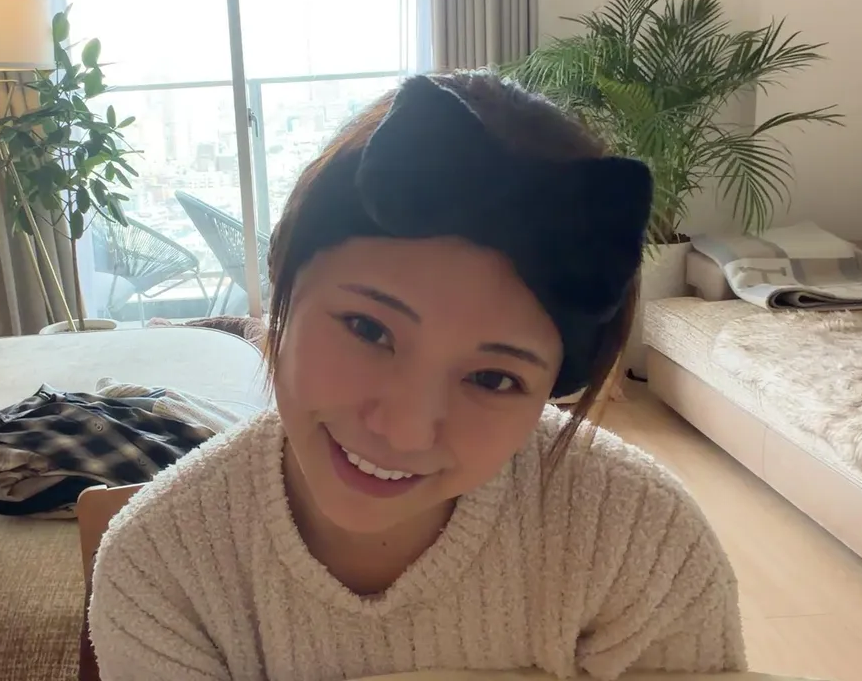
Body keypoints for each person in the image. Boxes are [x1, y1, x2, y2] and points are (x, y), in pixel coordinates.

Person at [87, 70, 746, 681]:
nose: (403, 430)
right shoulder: (162, 567)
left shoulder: (641, 544)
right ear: (283, 284)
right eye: (368, 329)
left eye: (493, 379)